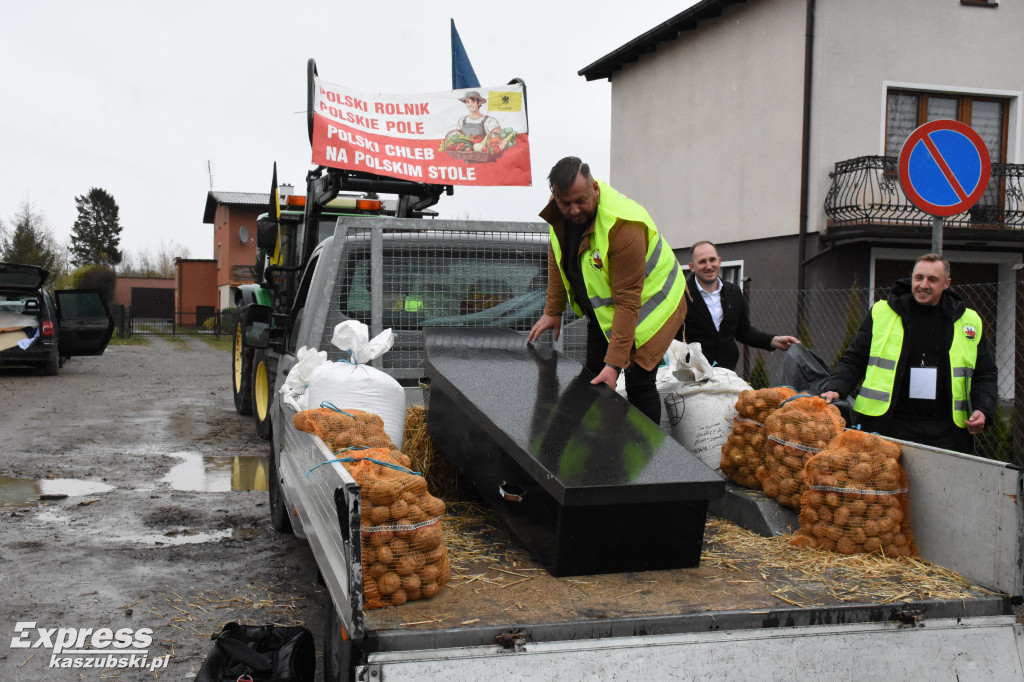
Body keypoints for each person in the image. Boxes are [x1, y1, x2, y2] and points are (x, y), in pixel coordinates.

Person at [527, 157, 687, 423]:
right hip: (607, 312)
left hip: (653, 308)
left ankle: (645, 447)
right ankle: (598, 441)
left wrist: (613, 365)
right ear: (555, 195)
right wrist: (553, 310)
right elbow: (557, 256)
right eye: (566, 203)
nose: (574, 210)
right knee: (592, 377)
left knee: (638, 382)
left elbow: (628, 302)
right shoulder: (559, 211)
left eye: (581, 201)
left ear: (595, 190)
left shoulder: (623, 226)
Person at [820, 254, 996, 454]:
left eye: (932, 279)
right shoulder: (882, 312)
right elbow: (855, 358)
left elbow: (985, 373)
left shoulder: (968, 320)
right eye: (919, 278)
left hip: (947, 431)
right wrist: (836, 388)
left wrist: (983, 409)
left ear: (946, 284)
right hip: (888, 424)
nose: (923, 285)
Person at [681, 241, 799, 371]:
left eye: (712, 260)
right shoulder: (680, 296)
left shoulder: (733, 292)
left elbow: (743, 331)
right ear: (692, 267)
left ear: (719, 261)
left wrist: (773, 341)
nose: (709, 266)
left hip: (727, 372)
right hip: (691, 374)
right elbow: (672, 339)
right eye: (703, 262)